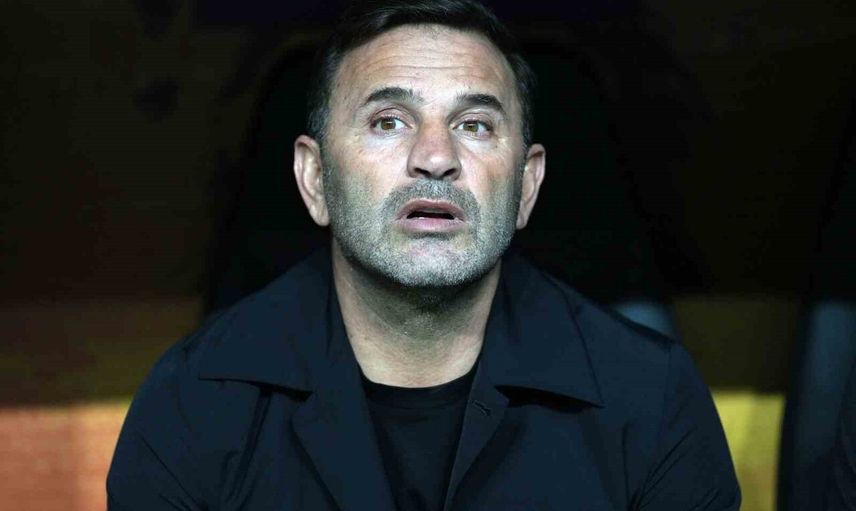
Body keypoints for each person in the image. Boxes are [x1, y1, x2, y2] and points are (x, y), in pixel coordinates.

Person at [106, 1, 740, 509]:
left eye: (474, 125)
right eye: (390, 121)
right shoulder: (192, 403)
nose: (435, 157)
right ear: (315, 179)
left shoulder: (652, 398)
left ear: (526, 187)